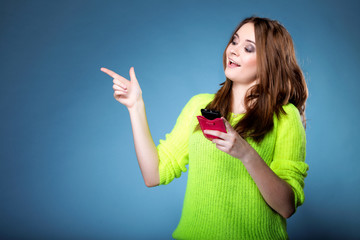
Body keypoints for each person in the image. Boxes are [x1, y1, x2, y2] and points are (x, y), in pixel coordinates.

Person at [101, 16, 309, 240]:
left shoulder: (286, 117)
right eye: (234, 41)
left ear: (270, 61)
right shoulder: (199, 106)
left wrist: (246, 154)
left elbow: (287, 206)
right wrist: (135, 106)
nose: (233, 51)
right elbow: (154, 174)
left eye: (248, 48)